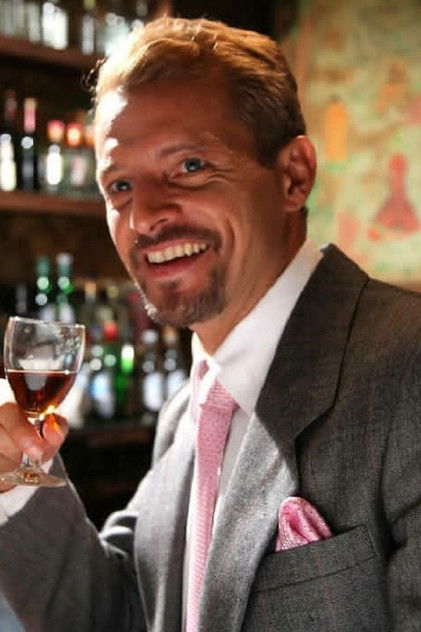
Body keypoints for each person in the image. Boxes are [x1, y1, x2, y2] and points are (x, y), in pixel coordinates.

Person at [0, 16, 420, 632]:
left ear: (293, 176)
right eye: (120, 185)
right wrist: (14, 478)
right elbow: (122, 613)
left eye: (190, 165)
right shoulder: (188, 409)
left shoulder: (407, 368)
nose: (145, 216)